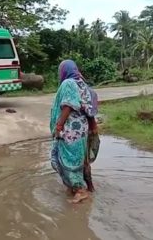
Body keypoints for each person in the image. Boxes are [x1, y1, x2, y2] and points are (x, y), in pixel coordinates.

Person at [50, 59, 98, 204]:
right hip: (81, 129)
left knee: (66, 159)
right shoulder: (82, 85)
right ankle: (87, 187)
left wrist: (59, 126)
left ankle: (80, 190)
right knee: (80, 158)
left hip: (70, 129)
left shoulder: (68, 83)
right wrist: (93, 128)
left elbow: (68, 105)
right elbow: (89, 110)